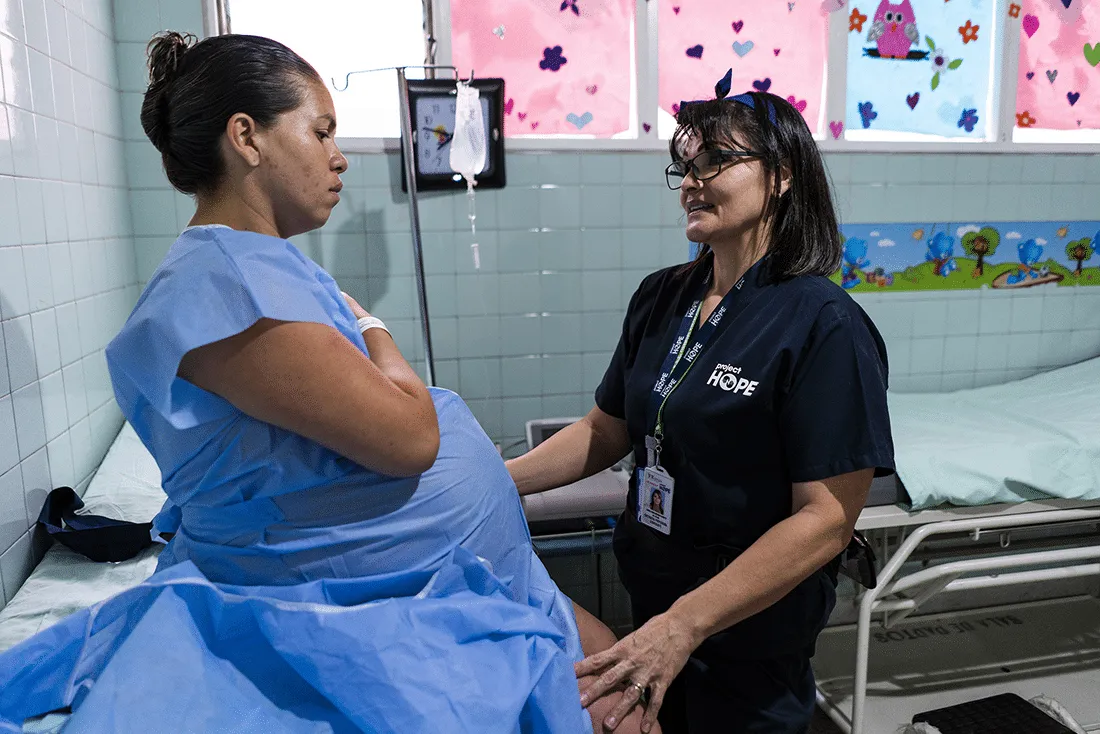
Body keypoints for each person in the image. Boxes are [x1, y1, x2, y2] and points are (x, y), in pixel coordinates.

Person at [0, 31, 656, 734]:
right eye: (320, 132)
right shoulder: (223, 285)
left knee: (620, 672)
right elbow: (410, 438)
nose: (338, 157)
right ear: (247, 138)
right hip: (355, 602)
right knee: (618, 696)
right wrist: (375, 328)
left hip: (431, 575)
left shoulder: (257, 268)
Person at [507, 76, 895, 733]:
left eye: (715, 160)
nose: (691, 181)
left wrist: (684, 625)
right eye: (685, 165)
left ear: (782, 175)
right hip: (656, 604)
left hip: (747, 634)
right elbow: (607, 428)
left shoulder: (824, 325)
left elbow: (827, 519)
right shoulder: (662, 296)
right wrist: (496, 480)